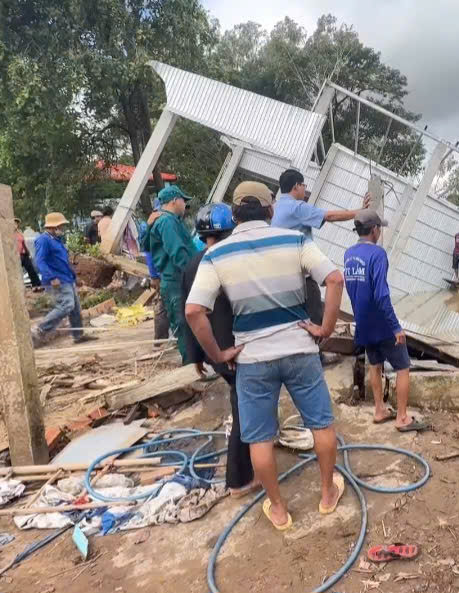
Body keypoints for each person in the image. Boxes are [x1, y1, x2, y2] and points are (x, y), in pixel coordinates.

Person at [186, 183, 345, 532]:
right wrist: (326, 328)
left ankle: (278, 508)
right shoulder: (295, 240)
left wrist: (218, 354)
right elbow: (334, 279)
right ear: (270, 210)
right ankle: (327, 493)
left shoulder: (216, 255)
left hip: (252, 359)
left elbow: (195, 311)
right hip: (300, 350)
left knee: (259, 438)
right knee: (321, 424)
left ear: (235, 213)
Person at [180, 198, 258, 496]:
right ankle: (239, 479)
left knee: (243, 401)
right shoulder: (231, 260)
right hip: (235, 351)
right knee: (244, 408)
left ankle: (255, 451)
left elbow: (187, 314)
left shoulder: (191, 266)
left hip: (214, 351)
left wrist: (197, 356)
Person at [343, 210, 429, 432]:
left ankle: (379, 409)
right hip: (381, 322)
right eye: (379, 228)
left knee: (375, 364)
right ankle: (402, 417)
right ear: (374, 230)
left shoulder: (349, 254)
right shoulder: (378, 255)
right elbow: (381, 294)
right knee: (403, 367)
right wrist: (395, 327)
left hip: (362, 321)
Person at [270, 168, 369, 325]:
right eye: (304, 185)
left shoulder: (274, 208)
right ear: (296, 186)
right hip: (300, 279)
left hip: (276, 277)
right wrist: (362, 211)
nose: (305, 189)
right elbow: (330, 216)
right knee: (314, 318)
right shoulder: (297, 207)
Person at [32, 212, 98, 347]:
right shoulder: (43, 240)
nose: (62, 228)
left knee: (75, 308)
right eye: (61, 226)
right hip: (57, 280)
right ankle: (40, 329)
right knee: (66, 305)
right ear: (52, 226)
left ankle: (78, 335)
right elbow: (40, 261)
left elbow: (62, 260)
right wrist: (51, 277)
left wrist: (73, 276)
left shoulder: (56, 240)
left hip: (66, 278)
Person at [146, 185, 195, 362]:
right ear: (175, 200)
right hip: (175, 279)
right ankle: (190, 366)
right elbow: (178, 253)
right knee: (182, 324)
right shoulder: (167, 222)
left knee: (186, 322)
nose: (184, 205)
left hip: (177, 278)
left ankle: (193, 362)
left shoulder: (169, 220)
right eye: (183, 201)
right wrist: (194, 273)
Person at [140, 199, 170, 346]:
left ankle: (164, 338)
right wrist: (154, 276)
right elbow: (149, 253)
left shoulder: (165, 224)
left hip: (167, 272)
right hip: (162, 273)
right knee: (162, 306)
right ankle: (160, 340)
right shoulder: (150, 227)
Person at [13, 218, 42, 289]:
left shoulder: (19, 233)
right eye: (14, 223)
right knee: (17, 272)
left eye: (16, 223)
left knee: (31, 269)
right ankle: (18, 287)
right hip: (16, 255)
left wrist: (28, 252)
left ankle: (36, 285)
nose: (15, 225)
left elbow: (23, 243)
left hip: (24, 254)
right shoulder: (8, 234)